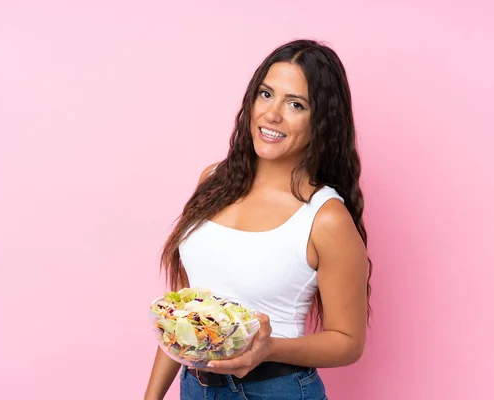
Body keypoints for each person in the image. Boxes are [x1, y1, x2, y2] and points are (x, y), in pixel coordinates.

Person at [144, 39, 372, 400]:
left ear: (322, 122)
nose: (272, 115)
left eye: (295, 104)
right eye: (266, 95)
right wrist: (151, 396)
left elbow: (348, 342)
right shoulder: (213, 182)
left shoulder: (325, 217)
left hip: (276, 390)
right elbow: (187, 309)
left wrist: (268, 348)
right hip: (196, 388)